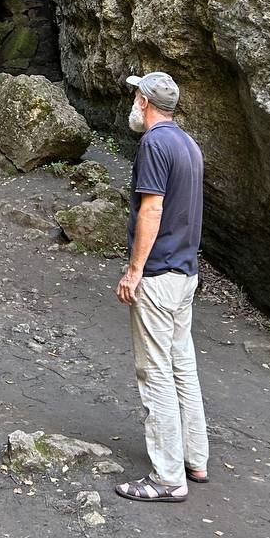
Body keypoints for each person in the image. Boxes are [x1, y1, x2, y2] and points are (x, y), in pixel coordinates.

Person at [114, 70, 209, 503]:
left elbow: (151, 210)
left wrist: (134, 272)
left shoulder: (154, 143)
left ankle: (168, 478)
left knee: (154, 374)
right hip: (185, 273)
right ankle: (196, 458)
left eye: (136, 95)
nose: (133, 101)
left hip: (158, 275)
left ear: (146, 102)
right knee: (182, 367)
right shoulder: (188, 144)